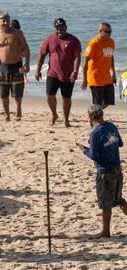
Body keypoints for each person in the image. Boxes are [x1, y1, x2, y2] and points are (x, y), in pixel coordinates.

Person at [77, 105, 127, 238]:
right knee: (118, 198)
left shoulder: (95, 132)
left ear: (90, 117)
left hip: (104, 171)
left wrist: (84, 149)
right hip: (116, 167)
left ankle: (105, 231)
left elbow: (94, 155)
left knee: (106, 203)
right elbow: (120, 143)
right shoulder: (111, 126)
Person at [35, 18, 81, 127]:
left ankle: (66, 119)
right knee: (50, 96)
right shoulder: (49, 39)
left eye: (62, 27)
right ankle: (54, 114)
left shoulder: (74, 40)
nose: (60, 30)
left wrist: (75, 71)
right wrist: (38, 70)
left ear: (66, 27)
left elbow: (77, 57)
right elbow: (42, 55)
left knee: (66, 99)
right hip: (53, 73)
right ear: (55, 28)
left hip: (68, 75)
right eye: (57, 28)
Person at [0, 11, 30, 121]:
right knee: (3, 94)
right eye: (3, 21)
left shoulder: (17, 33)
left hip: (17, 65)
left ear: (10, 21)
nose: (5, 23)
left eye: (7, 21)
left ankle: (18, 108)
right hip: (3, 67)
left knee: (17, 93)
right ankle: (7, 114)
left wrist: (27, 64)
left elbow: (26, 48)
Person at [80, 22, 116, 109]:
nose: (109, 34)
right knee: (97, 103)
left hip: (107, 77)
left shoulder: (111, 42)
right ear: (100, 31)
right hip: (95, 78)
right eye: (107, 32)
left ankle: (93, 114)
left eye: (110, 31)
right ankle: (94, 117)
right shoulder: (93, 44)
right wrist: (84, 80)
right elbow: (84, 63)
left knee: (109, 101)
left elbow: (111, 57)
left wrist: (113, 73)